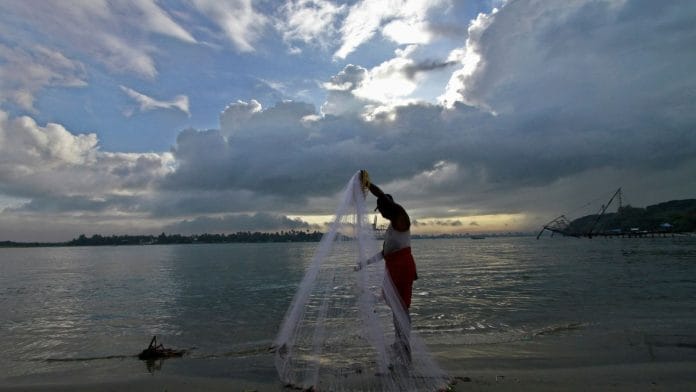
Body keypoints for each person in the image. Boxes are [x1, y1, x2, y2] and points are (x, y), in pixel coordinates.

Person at [358, 170, 418, 360]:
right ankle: (399, 341)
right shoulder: (392, 228)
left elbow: (382, 196)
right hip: (393, 267)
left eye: (382, 209)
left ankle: (405, 345)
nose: (381, 213)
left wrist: (368, 185)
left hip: (403, 268)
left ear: (389, 206)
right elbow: (385, 253)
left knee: (402, 308)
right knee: (396, 308)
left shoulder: (402, 220)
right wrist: (364, 264)